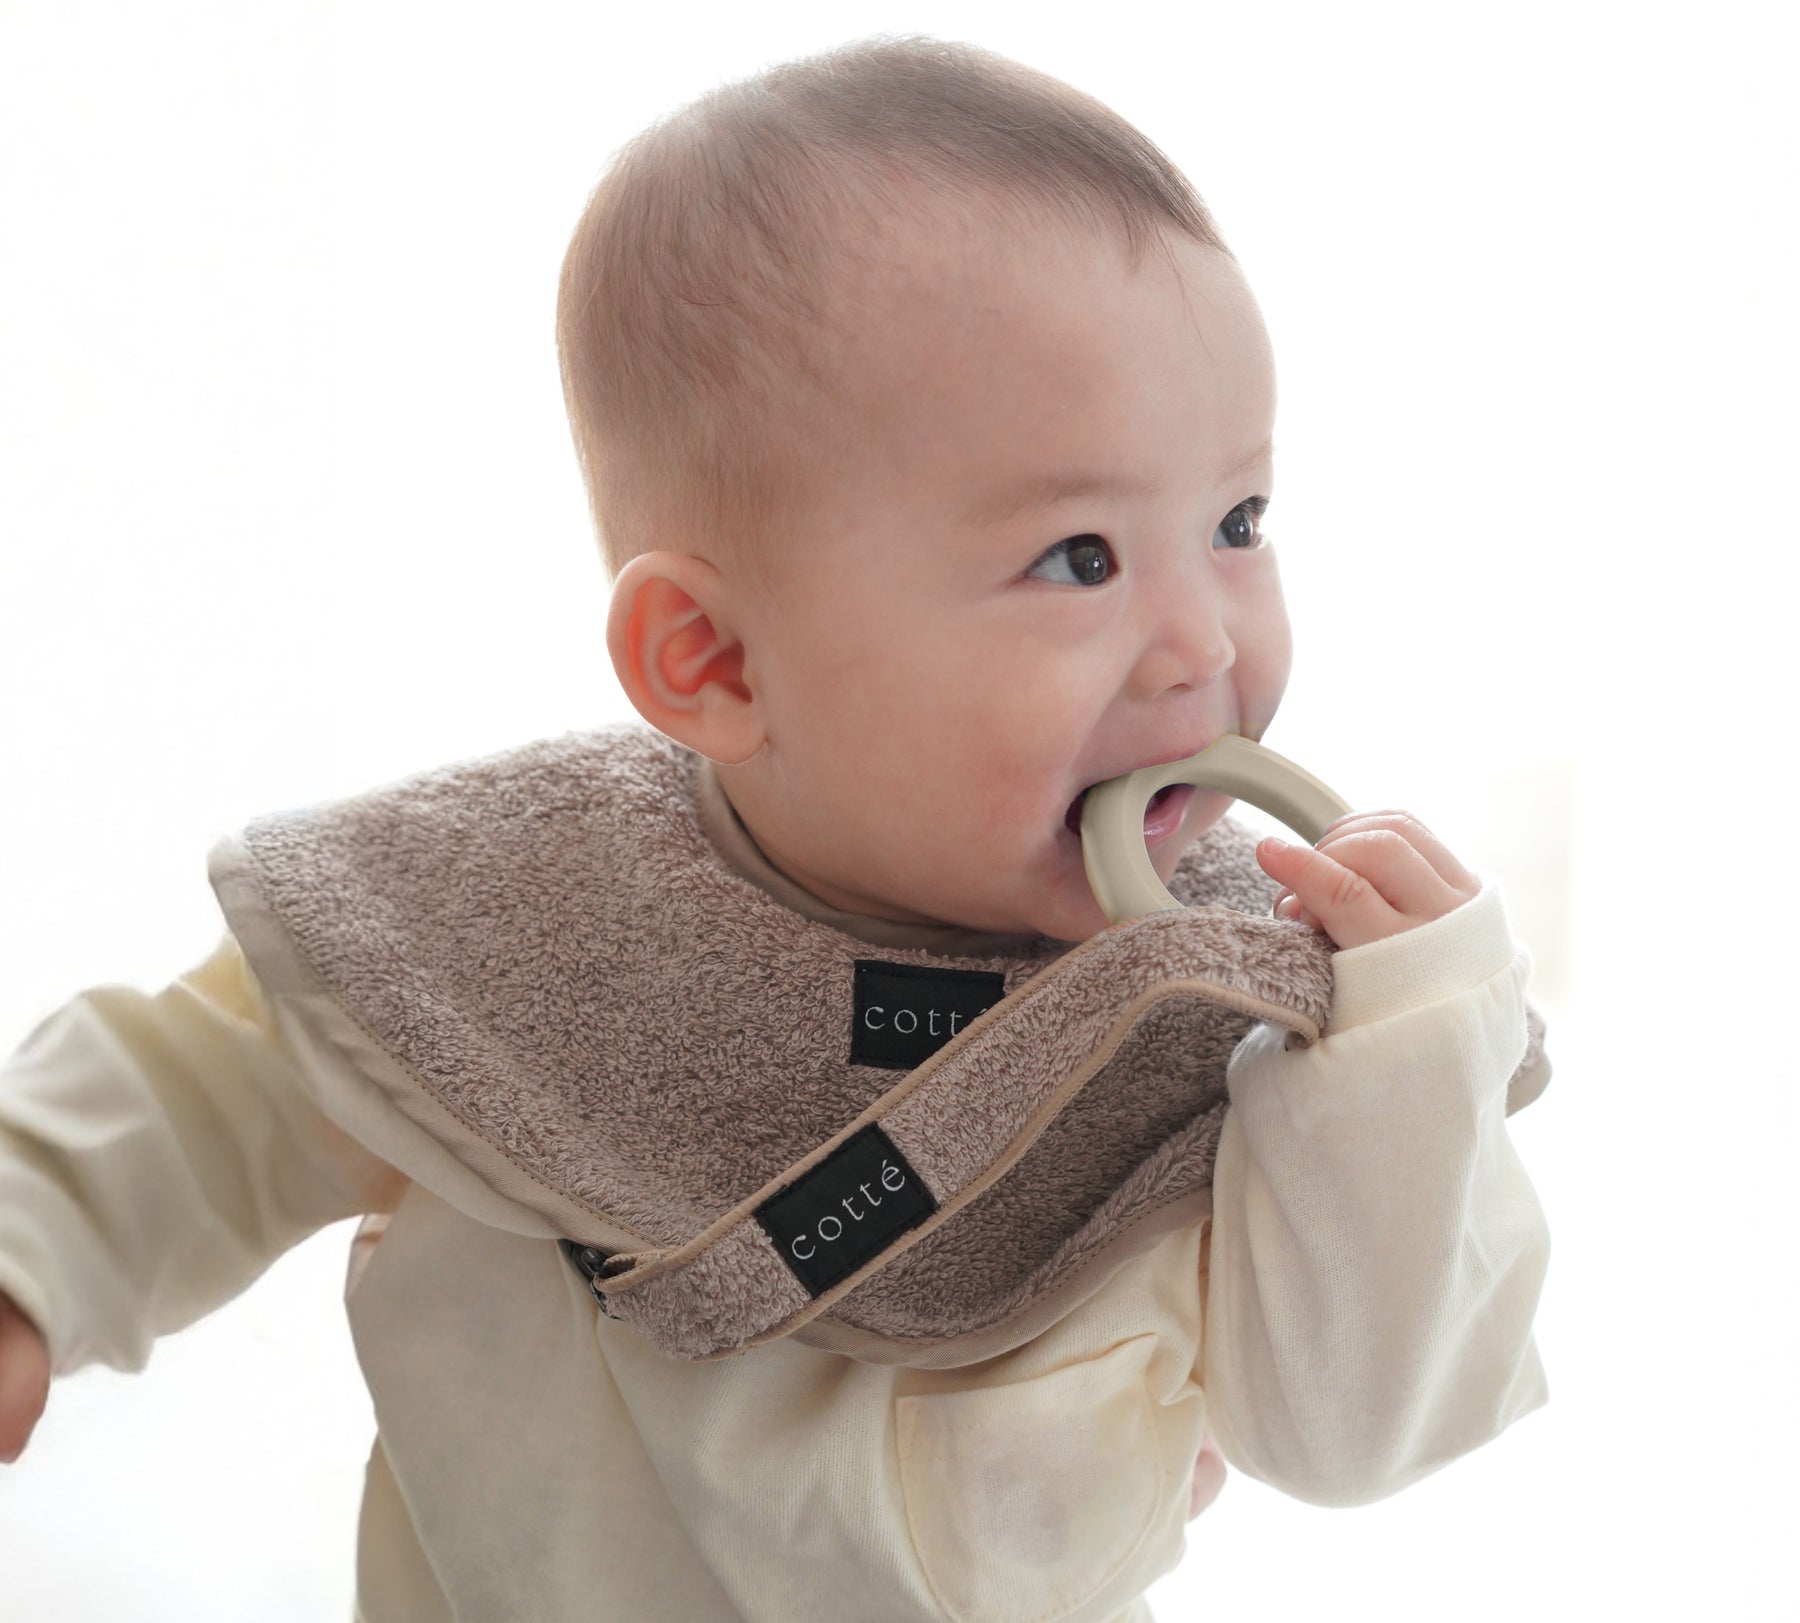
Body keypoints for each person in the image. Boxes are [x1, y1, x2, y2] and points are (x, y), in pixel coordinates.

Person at [0, 33, 1553, 1622]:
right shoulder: (516, 924)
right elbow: (199, 1096)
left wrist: (1407, 1055)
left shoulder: (1224, 1003)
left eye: (1238, 522)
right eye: (1079, 557)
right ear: (719, 662)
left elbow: (1358, 1433)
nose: (1204, 645)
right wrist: (26, 1255)